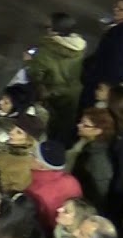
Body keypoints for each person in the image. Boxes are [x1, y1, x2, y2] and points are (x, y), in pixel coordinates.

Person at [22, 12, 87, 143]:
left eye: (49, 27)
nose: (47, 29)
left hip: (52, 95)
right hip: (73, 94)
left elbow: (35, 75)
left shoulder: (46, 51)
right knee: (65, 125)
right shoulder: (79, 47)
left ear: (55, 31)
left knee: (49, 126)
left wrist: (29, 61)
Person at [23, 140, 81, 231]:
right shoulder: (72, 181)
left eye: (32, 155)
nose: (28, 156)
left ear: (41, 166)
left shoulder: (33, 190)